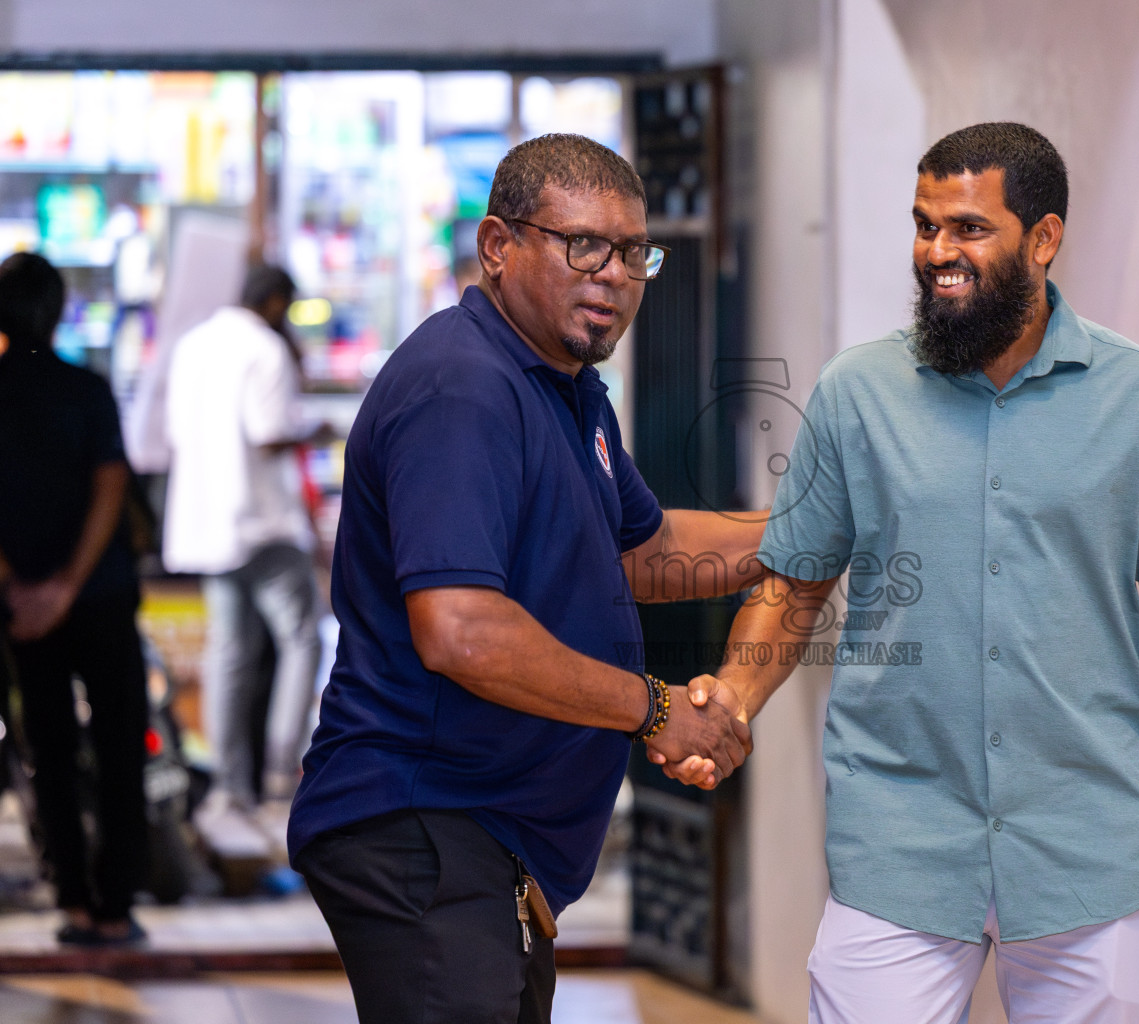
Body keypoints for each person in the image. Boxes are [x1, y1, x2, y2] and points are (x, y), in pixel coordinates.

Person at [660, 122, 1139, 1022]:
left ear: (1043, 239)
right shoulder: (857, 393)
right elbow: (795, 583)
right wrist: (734, 699)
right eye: (925, 224)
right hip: (898, 846)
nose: (938, 251)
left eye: (969, 228)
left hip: (1088, 852)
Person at [286, 133, 765, 1024]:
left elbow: (644, 552)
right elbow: (461, 630)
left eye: (633, 253)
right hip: (425, 820)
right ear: (498, 246)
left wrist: (807, 529)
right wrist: (656, 708)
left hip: (486, 838)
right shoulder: (464, 386)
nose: (613, 274)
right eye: (583, 245)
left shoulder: (564, 386)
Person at [0, 252, 149, 945]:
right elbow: (111, 486)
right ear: (59, 311)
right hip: (102, 593)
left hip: (21, 608)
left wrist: (20, 586)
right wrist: (69, 586)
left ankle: (74, 903)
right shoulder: (86, 390)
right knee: (119, 744)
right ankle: (116, 905)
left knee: (50, 750)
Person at [162, 265, 322, 815]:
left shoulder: (192, 344)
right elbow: (268, 432)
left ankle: (230, 785)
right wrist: (315, 432)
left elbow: (175, 432)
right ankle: (281, 767)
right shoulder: (265, 348)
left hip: (208, 523)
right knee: (301, 639)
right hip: (262, 521)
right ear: (276, 301)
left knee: (229, 653)